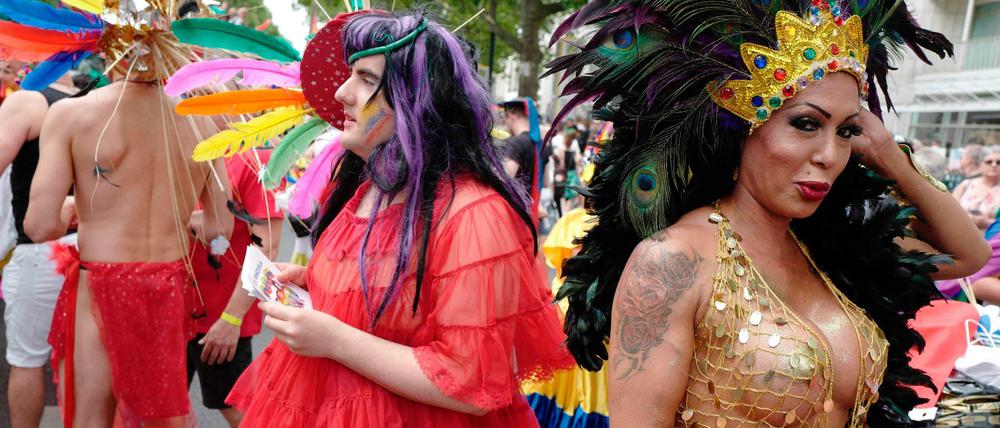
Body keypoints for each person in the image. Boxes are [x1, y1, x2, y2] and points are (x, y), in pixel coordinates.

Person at [547, 1, 989, 426]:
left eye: (846, 131)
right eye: (806, 124)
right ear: (743, 131)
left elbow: (966, 255)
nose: (829, 156)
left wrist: (888, 155)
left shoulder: (831, 243)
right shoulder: (673, 260)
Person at [225, 10, 572, 427]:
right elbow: (392, 308)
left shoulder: (472, 213)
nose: (341, 93)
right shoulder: (365, 188)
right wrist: (321, 287)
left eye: (367, 79)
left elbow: (471, 381)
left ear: (417, 102)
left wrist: (334, 339)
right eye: (351, 74)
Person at [13, 2, 233, 426]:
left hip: (102, 282)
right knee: (162, 415)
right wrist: (182, 219)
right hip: (167, 284)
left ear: (107, 45)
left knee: (93, 418)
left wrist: (73, 213)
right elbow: (219, 230)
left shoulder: (72, 114)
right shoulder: (207, 121)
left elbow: (39, 226)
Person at [0, 70, 77, 428]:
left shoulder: (29, 102)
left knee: (27, 359)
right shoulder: (108, 103)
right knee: (83, 362)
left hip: (41, 249)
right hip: (101, 250)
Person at [186, 150, 282, 428]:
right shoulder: (181, 146)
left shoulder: (255, 160)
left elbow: (268, 248)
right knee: (164, 407)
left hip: (220, 315)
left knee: (240, 412)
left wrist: (232, 317)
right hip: (174, 306)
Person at [953, 146, 1000, 230]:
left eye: (998, 162)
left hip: (989, 240)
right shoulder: (966, 185)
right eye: (989, 162)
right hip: (959, 234)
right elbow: (950, 209)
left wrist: (987, 222)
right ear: (981, 165)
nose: (994, 165)